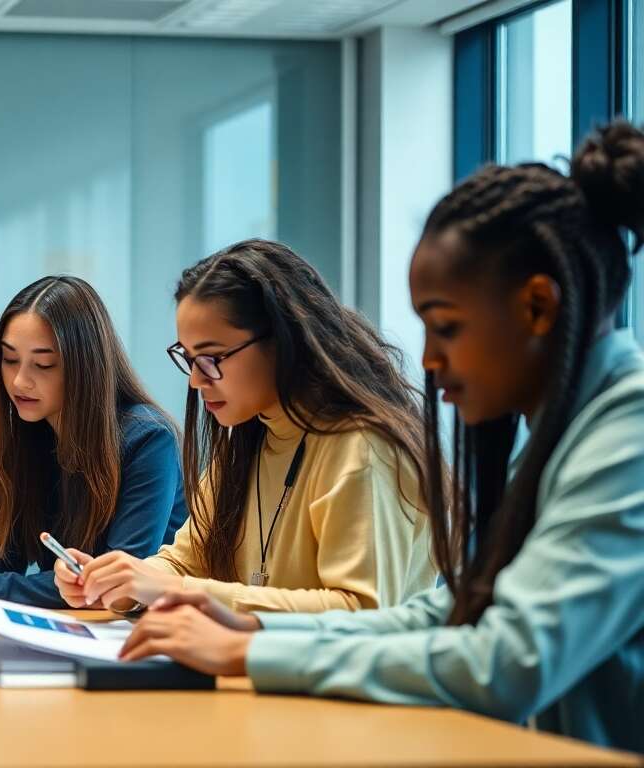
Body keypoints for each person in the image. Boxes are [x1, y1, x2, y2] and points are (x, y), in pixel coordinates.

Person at [119, 121, 644, 754]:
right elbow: (447, 612)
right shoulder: (559, 435)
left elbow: (507, 661)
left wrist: (253, 653)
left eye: (445, 328)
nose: (427, 359)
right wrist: (255, 638)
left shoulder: (628, 435)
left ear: (537, 307)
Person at [55, 240, 437, 614]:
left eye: (212, 358)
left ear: (284, 339)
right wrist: (125, 585)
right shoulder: (250, 436)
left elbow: (358, 610)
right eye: (189, 359)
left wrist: (177, 591)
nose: (195, 381)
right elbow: (184, 562)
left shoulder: (362, 448)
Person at [0, 276, 185, 607]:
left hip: (135, 631)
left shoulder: (149, 439)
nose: (19, 381)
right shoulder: (32, 431)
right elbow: (9, 555)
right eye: (9, 359)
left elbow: (115, 586)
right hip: (73, 626)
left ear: (84, 366)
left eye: (43, 364)